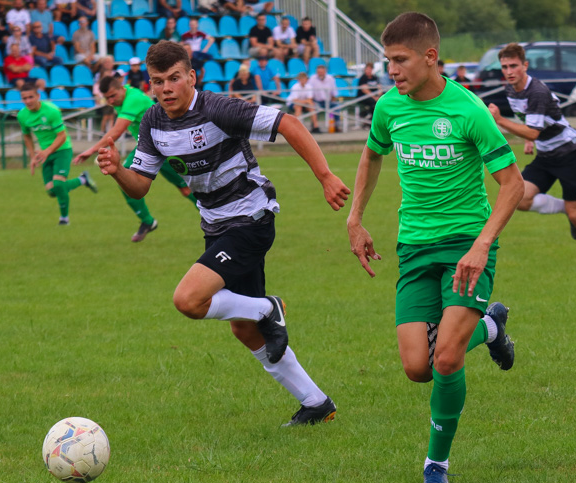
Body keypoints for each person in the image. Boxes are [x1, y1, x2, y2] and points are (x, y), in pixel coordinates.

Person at [94, 40, 351, 426]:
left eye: (174, 78)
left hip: (251, 217)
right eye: (157, 81)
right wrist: (117, 171)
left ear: (191, 77)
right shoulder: (152, 123)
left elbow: (289, 123)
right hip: (215, 224)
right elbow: (141, 185)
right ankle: (316, 403)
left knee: (189, 300)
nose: (165, 88)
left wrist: (326, 176)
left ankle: (270, 307)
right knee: (244, 328)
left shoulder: (218, 108)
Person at [346, 12, 523, 483]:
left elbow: (512, 184)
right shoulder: (389, 108)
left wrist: (482, 245)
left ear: (429, 57)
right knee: (416, 368)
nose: (393, 71)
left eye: (400, 60)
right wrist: (355, 218)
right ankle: (490, 327)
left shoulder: (468, 112)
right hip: (414, 248)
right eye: (388, 62)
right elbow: (372, 154)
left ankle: (436, 467)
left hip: (466, 246)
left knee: (445, 359)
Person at [489, 42, 576, 266]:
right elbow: (530, 125)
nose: (509, 71)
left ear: (525, 65)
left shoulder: (537, 91)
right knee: (519, 197)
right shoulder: (511, 88)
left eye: (513, 66)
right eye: (504, 67)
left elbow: (533, 130)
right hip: (546, 155)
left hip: (568, 153)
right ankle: (565, 210)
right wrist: (529, 140)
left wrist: (501, 121)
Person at [74, 74, 197, 242]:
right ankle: (147, 221)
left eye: (112, 96)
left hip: (167, 145)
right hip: (148, 148)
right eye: (106, 98)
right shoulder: (120, 100)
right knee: (124, 177)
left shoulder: (133, 98)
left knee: (186, 189)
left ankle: (216, 217)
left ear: (122, 88)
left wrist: (92, 150)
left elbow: (117, 131)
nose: (110, 101)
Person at [18, 83, 98, 225]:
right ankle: (82, 180)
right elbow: (26, 136)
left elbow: (62, 136)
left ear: (38, 96)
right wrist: (32, 156)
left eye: (31, 97)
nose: (28, 101)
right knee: (51, 191)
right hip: (45, 153)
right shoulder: (22, 115)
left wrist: (47, 151)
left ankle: (64, 219)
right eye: (24, 98)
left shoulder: (51, 111)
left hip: (62, 150)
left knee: (58, 185)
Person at [307, 64, 337, 131]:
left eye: (321, 72)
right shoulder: (312, 79)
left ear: (325, 72)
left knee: (336, 106)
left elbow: (334, 92)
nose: (320, 74)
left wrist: (333, 100)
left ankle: (336, 126)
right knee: (313, 107)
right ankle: (315, 127)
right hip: (317, 101)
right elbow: (309, 92)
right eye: (319, 72)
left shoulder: (330, 79)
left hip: (328, 101)